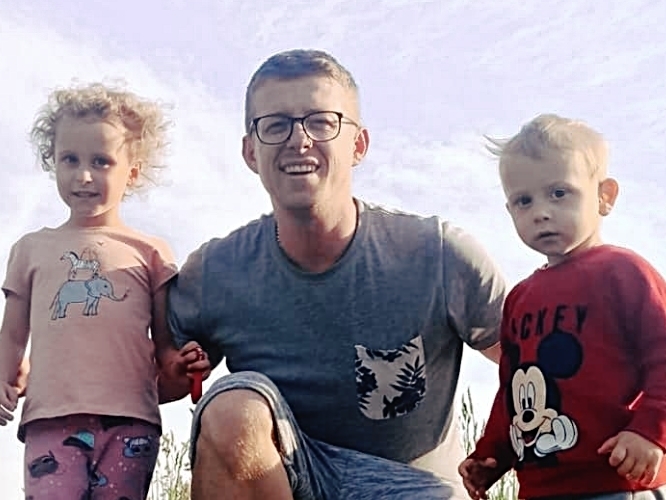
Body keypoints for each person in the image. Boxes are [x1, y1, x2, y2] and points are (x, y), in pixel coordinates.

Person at [167, 49, 507, 499]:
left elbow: (533, 360)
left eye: (322, 122)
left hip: (412, 487)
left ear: (358, 145)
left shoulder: (438, 254)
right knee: (231, 406)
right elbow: (152, 378)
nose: (299, 139)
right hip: (288, 477)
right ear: (250, 151)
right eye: (275, 125)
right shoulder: (215, 272)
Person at [0, 82, 210, 499]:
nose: (84, 175)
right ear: (52, 162)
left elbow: (163, 347)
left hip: (131, 422)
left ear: (131, 172)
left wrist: (183, 363)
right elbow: (12, 335)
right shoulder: (30, 249)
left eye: (101, 161)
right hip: (50, 419)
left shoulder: (151, 253)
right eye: (70, 159)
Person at [459, 114, 666, 500]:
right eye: (524, 200)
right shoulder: (520, 298)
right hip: (540, 488)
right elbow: (514, 387)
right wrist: (492, 454)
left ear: (604, 196)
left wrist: (651, 431)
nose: (541, 211)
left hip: (614, 479)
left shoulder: (623, 273)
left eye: (559, 193)